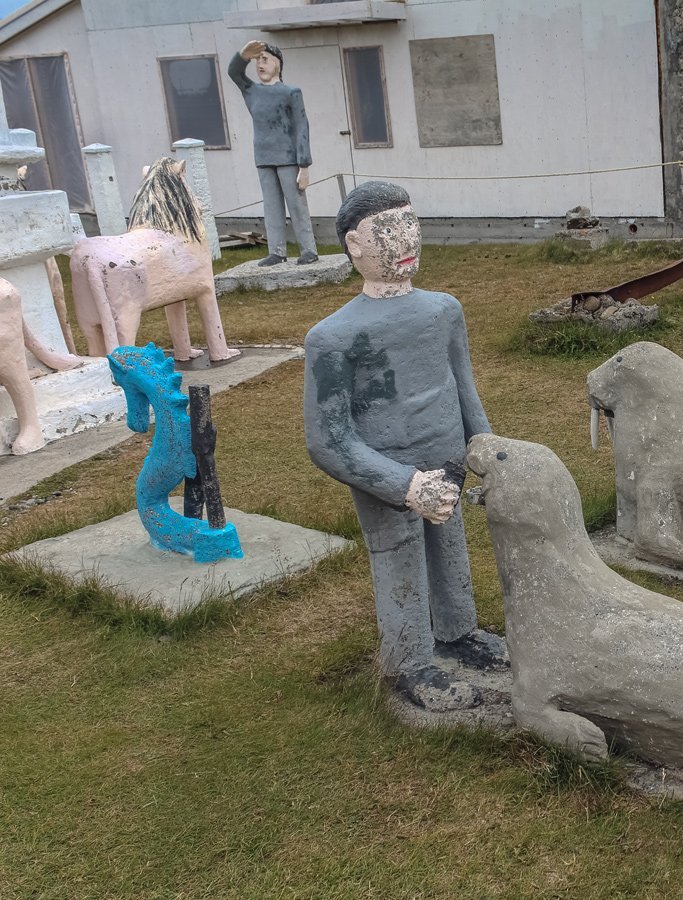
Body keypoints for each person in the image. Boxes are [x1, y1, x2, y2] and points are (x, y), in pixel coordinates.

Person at [303, 181, 506, 711]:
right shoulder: (332, 337)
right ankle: (409, 662)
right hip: (387, 471)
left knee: (450, 545)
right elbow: (327, 439)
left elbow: (463, 387)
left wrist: (485, 450)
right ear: (354, 244)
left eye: (410, 222)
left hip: (447, 455)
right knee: (397, 554)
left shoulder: (443, 311)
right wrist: (403, 485)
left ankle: (458, 631)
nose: (406, 239)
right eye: (388, 229)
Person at [229, 40, 319, 267]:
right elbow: (234, 73)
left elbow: (302, 126)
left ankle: (309, 249)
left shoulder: (291, 92)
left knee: (296, 205)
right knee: (271, 207)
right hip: (263, 158)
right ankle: (276, 251)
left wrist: (304, 164)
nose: (260, 64)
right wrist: (242, 56)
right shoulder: (251, 91)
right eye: (257, 60)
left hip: (288, 158)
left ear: (277, 63)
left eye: (265, 59)